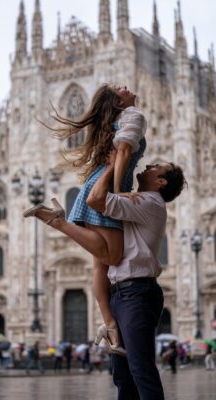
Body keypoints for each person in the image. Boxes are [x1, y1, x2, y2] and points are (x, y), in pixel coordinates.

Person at [24, 155, 186, 399]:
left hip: (137, 294)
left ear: (161, 182)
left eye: (156, 168)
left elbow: (97, 199)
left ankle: (59, 222)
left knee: (141, 369)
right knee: (122, 375)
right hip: (122, 293)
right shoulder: (137, 200)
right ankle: (59, 221)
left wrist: (113, 164)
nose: (149, 165)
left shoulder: (150, 202)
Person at [24, 84, 147, 355]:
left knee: (99, 268)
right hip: (105, 191)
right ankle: (59, 222)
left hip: (93, 188)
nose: (126, 87)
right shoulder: (132, 115)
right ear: (117, 103)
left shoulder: (111, 123)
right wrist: (119, 196)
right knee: (112, 258)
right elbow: (124, 154)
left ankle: (109, 325)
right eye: (119, 89)